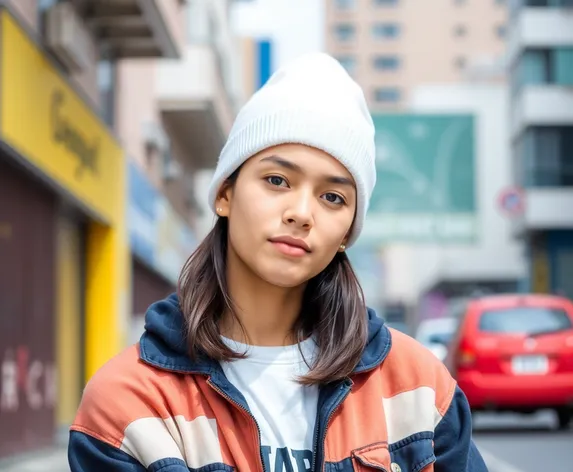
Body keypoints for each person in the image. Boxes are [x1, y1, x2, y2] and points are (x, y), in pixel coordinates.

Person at [68, 53, 488, 472]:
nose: (301, 212)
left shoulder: (417, 385)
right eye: (277, 180)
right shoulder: (130, 402)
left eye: (333, 197)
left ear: (346, 232)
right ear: (225, 194)